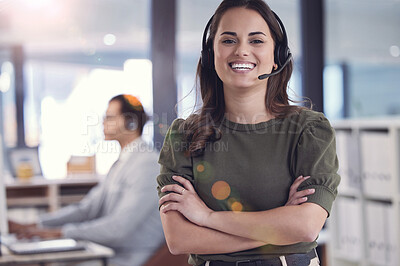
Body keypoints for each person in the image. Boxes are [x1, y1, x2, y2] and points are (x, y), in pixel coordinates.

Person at [156, 0, 340, 266]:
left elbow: (305, 227)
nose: (242, 51)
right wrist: (277, 229)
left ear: (278, 57)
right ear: (211, 55)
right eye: (229, 40)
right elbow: (180, 238)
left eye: (256, 41)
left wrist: (207, 218)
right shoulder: (184, 135)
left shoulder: (309, 131)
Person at [9, 94, 165, 266]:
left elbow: (117, 228)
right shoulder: (122, 162)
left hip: (128, 257)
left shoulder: (147, 164)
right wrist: (37, 224)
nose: (103, 123)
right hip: (109, 251)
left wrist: (59, 232)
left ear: (131, 123)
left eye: (110, 117)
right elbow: (86, 209)